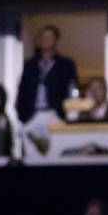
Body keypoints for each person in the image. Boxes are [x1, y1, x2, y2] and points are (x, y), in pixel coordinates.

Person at [15, 25, 77, 154]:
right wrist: (22, 115)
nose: (46, 40)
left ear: (56, 40)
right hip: (32, 115)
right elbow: (22, 92)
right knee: (31, 154)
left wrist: (68, 113)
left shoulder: (66, 65)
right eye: (43, 37)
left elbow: (72, 90)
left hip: (56, 114)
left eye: (50, 37)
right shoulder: (29, 65)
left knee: (55, 152)